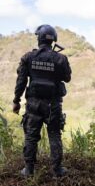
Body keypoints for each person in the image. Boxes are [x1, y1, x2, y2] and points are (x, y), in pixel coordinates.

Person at [12, 24, 72, 177]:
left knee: (31, 136)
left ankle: (29, 170)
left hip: (33, 104)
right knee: (54, 135)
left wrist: (16, 101)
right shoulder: (60, 58)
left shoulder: (28, 57)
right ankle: (57, 170)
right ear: (53, 40)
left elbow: (21, 81)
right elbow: (67, 78)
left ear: (39, 39)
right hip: (53, 105)